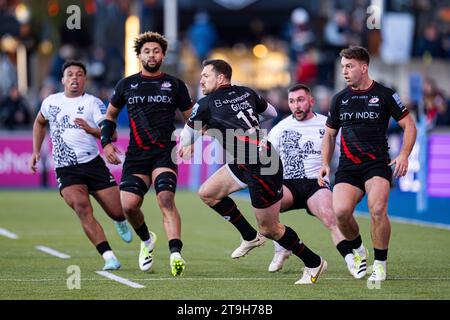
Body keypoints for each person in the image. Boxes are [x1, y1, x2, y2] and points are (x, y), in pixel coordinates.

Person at [179, 59, 327, 285]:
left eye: (206, 76)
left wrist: (200, 134)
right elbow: (271, 113)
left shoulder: (206, 103)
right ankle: (249, 237)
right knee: (208, 193)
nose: (201, 80)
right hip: (252, 158)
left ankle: (314, 262)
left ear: (220, 78)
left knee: (270, 229)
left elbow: (185, 139)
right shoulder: (247, 92)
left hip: (261, 167)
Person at [318, 46, 417, 281]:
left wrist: (404, 154)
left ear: (364, 67)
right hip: (349, 167)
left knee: (378, 209)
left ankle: (380, 264)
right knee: (340, 213)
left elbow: (409, 125)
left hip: (377, 165)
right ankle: (359, 249)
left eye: (349, 66)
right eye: (343, 66)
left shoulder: (385, 94)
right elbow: (330, 135)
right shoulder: (340, 99)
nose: (344, 71)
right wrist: (324, 163)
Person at [101, 32, 193, 276]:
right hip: (136, 155)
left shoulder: (175, 85)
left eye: (156, 51)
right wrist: (106, 143)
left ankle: (175, 253)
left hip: (165, 152)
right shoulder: (126, 84)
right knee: (129, 206)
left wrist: (191, 140)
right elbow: (109, 117)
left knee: (165, 199)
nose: (151, 55)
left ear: (162, 55)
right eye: (147, 51)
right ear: (139, 55)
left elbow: (192, 119)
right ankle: (147, 240)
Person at [29, 61, 132, 271]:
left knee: (118, 211)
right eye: (70, 74)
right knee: (82, 208)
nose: (74, 78)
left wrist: (92, 130)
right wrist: (36, 151)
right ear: (63, 80)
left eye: (79, 75)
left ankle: (119, 220)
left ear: (85, 79)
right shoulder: (50, 102)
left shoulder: (93, 103)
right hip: (66, 169)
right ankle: (109, 257)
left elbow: (109, 132)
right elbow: (39, 122)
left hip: (93, 165)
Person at [266, 83, 355, 275]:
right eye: (291, 101)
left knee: (331, 218)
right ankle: (281, 247)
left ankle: (351, 259)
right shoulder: (280, 128)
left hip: (316, 184)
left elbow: (348, 150)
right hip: (288, 183)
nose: (296, 105)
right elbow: (267, 159)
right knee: (266, 204)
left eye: (300, 100)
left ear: (311, 101)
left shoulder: (328, 123)